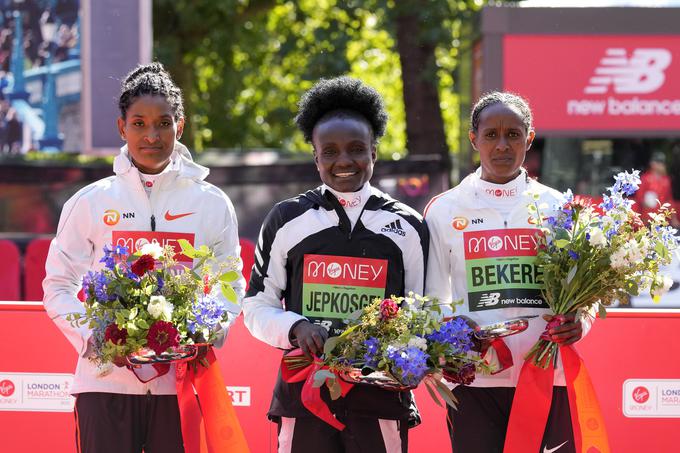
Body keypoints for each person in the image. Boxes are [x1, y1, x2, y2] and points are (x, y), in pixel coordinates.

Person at [42, 62, 245, 453]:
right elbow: (57, 285)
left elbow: (231, 283)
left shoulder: (211, 203)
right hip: (103, 386)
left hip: (180, 387)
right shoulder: (90, 201)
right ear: (122, 128)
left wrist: (208, 329)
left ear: (179, 127)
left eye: (163, 123)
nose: (151, 135)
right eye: (138, 124)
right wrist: (93, 338)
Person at [242, 76, 429, 453]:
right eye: (330, 152)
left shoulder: (408, 226)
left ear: (374, 153)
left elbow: (424, 309)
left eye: (356, 149)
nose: (344, 161)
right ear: (315, 157)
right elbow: (255, 306)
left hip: (379, 396)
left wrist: (403, 353)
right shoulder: (286, 219)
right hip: (304, 393)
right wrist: (295, 327)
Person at [424, 91, 594, 453]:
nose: (502, 145)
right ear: (474, 140)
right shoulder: (443, 209)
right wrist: (452, 345)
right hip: (475, 382)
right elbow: (432, 300)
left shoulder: (558, 207)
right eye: (491, 135)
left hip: (549, 374)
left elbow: (584, 291)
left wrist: (581, 321)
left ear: (529, 139)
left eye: (513, 135)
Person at [634, 151, 679, 228]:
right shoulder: (645, 178)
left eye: (662, 163)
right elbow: (639, 198)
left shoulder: (666, 179)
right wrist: (645, 203)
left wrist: (674, 218)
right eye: (658, 162)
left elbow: (669, 200)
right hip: (647, 218)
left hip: (662, 218)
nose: (661, 165)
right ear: (652, 164)